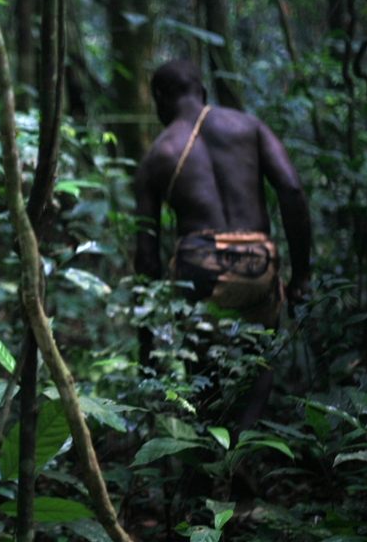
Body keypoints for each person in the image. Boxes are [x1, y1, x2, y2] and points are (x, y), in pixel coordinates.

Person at [133, 59, 311, 429]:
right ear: (203, 91)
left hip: (198, 270)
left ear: (161, 99)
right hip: (256, 266)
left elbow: (146, 257)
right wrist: (301, 277)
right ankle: (241, 442)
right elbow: (292, 191)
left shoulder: (157, 155)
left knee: (202, 367)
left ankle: (212, 445)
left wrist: (146, 348)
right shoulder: (249, 126)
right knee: (261, 357)